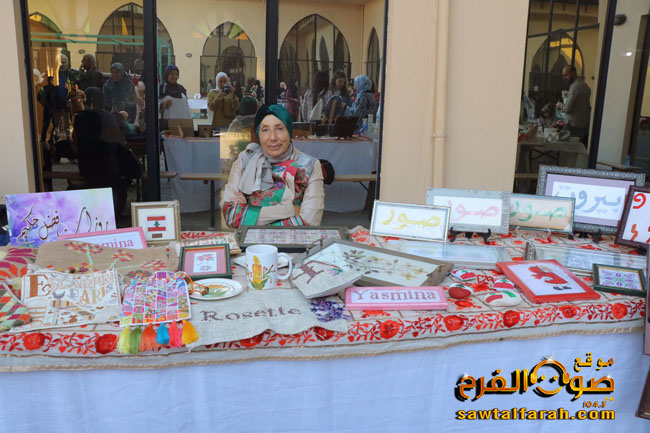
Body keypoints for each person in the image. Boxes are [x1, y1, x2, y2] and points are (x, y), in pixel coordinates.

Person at [220, 104, 325, 228]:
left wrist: (248, 213)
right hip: (249, 241)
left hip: (293, 241)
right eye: (265, 130)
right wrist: (290, 210)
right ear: (258, 134)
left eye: (279, 128)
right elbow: (232, 216)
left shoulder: (309, 165)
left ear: (289, 131)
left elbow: (310, 221)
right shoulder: (244, 161)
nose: (273, 137)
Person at [74, 110, 141, 215]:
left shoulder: (81, 152)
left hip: (91, 205)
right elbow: (137, 171)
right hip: (114, 203)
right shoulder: (113, 148)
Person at [557, 65, 591, 145]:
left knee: (561, 146)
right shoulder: (585, 86)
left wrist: (560, 106)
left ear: (573, 73)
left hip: (573, 126)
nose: (564, 78)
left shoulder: (575, 87)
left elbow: (567, 109)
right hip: (584, 125)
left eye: (566, 75)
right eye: (563, 76)